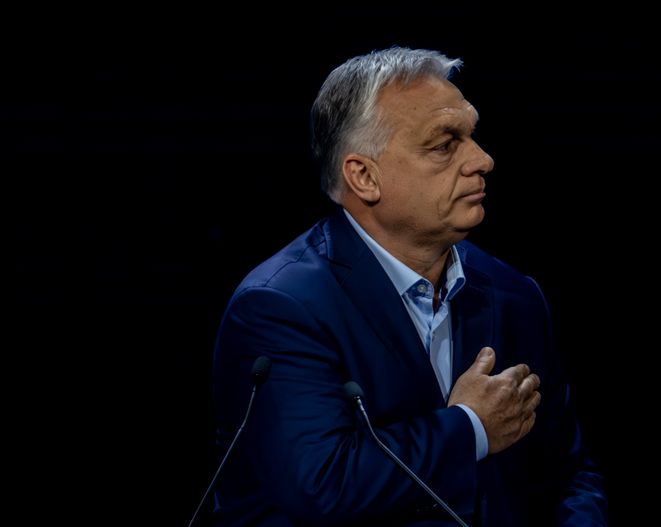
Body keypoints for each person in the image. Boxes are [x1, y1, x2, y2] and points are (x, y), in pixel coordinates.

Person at [212, 47, 608, 526]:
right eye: (445, 144)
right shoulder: (279, 307)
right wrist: (469, 427)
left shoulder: (514, 295)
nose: (483, 159)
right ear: (364, 176)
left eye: (472, 136)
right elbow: (322, 484)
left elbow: (569, 475)